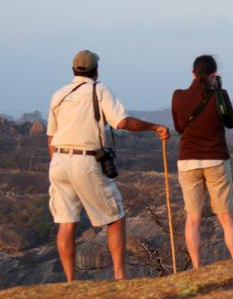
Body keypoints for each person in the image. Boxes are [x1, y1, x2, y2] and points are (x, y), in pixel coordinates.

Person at [46, 49, 170, 282]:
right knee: (115, 216)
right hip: (85, 159)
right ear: (96, 71)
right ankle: (119, 276)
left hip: (59, 161)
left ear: (73, 70)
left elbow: (50, 138)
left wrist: (57, 163)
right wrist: (154, 127)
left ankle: (70, 281)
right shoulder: (99, 89)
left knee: (66, 221)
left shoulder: (59, 95)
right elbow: (122, 122)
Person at [171, 55, 233, 269]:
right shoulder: (219, 96)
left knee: (193, 218)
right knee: (226, 216)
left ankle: (196, 266)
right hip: (216, 159)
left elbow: (179, 128)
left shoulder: (178, 96)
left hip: (188, 160)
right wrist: (218, 91)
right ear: (213, 74)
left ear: (193, 73)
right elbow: (231, 122)